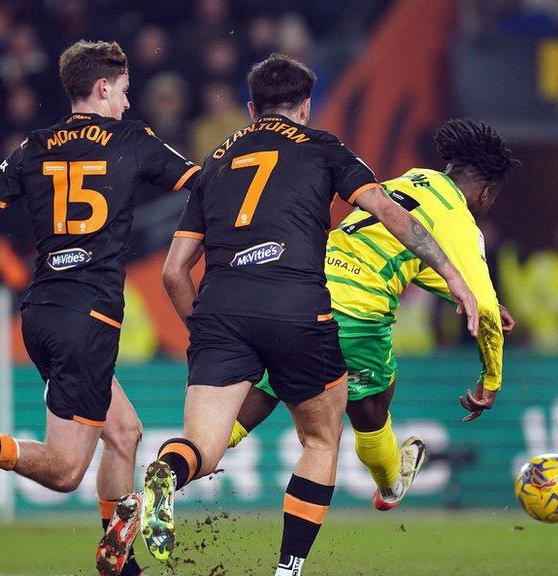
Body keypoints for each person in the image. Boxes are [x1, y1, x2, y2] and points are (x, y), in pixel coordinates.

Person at [127, 54, 478, 576]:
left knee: (202, 447)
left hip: (221, 311)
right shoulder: (323, 148)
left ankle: (164, 474)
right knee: (320, 439)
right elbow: (387, 211)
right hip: (296, 307)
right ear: (306, 107)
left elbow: (174, 272)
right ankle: (288, 570)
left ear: (251, 109)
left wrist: (205, 333)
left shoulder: (216, 161)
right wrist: (452, 275)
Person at [0, 40, 202, 576]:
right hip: (88, 317)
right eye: (122, 91)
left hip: (43, 311)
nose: (125, 102)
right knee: (69, 468)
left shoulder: (33, 146)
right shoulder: (132, 139)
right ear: (102, 88)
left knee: (124, 434)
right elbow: (204, 184)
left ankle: (120, 561)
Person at [228, 118, 520, 511]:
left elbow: (399, 252)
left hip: (303, 290)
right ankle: (390, 486)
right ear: (486, 192)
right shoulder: (460, 221)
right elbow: (484, 310)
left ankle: (182, 463)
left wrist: (457, 290)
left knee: (265, 389)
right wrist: (491, 380)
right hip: (357, 314)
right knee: (370, 407)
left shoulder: (411, 180)